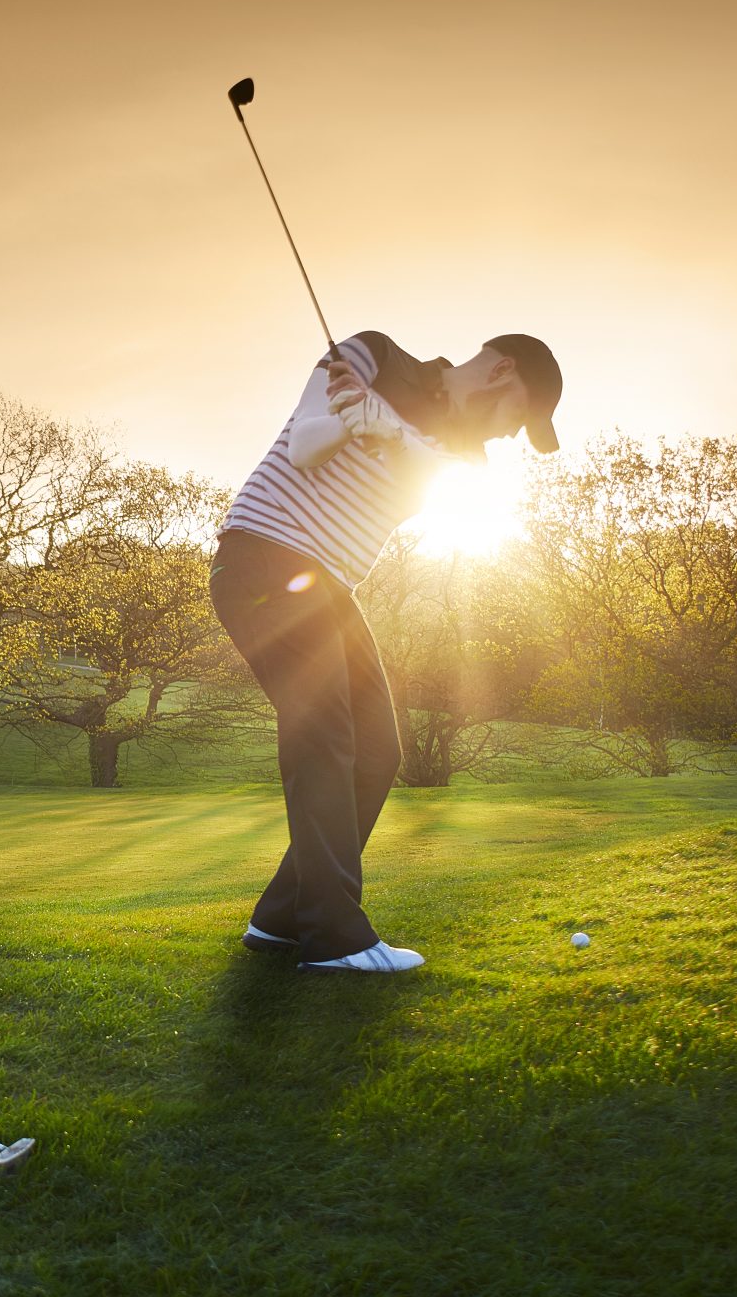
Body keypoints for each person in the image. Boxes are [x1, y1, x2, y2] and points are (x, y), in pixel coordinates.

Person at [211, 330, 563, 972]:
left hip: (327, 587)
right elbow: (305, 446)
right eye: (522, 415)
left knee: (377, 750)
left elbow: (437, 474)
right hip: (265, 558)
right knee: (324, 736)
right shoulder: (372, 354)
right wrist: (351, 421)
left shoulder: (468, 454)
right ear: (502, 372)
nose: (513, 433)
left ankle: (279, 919)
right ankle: (336, 939)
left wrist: (387, 426)